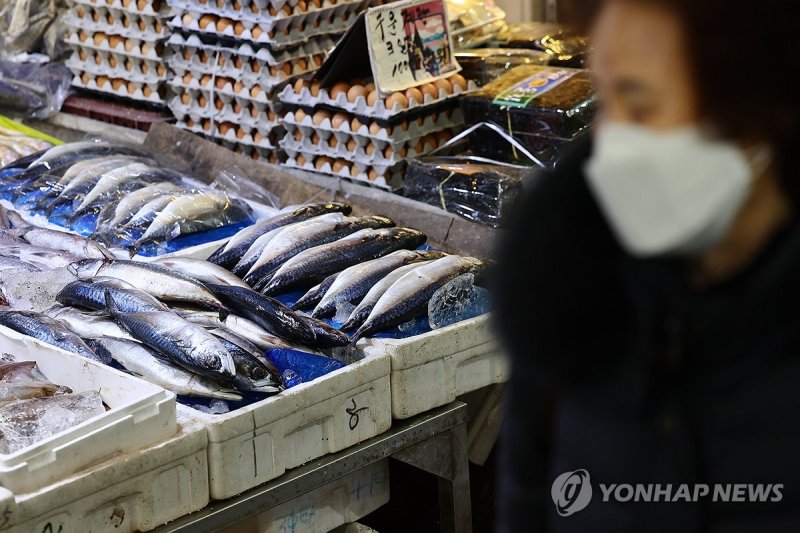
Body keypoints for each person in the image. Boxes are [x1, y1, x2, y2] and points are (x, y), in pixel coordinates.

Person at [494, 0, 800, 532]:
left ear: (754, 115)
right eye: (604, 102)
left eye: (640, 107)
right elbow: (526, 495)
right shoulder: (566, 292)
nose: (611, 144)